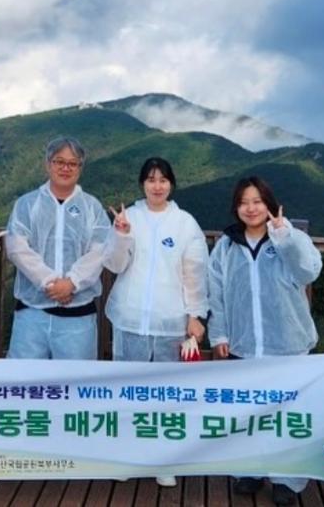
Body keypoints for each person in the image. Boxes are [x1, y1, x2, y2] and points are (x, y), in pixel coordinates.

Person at [207, 175, 322, 505]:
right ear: (236, 208)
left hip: (288, 344)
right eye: (243, 202)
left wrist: (286, 238)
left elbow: (309, 271)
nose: (251, 208)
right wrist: (220, 333)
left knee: (288, 414)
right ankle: (249, 470)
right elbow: (217, 293)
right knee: (248, 412)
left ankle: (288, 479)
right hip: (243, 345)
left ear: (269, 204)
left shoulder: (289, 237)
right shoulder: (226, 246)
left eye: (257, 201)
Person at [103, 156, 209, 487]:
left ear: (171, 184)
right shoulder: (130, 217)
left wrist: (195, 314)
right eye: (151, 179)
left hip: (170, 321)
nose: (157, 186)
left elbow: (195, 274)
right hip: (130, 317)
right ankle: (126, 457)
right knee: (127, 390)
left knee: (168, 393)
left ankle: (164, 461)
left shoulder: (185, 223)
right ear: (142, 184)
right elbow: (115, 265)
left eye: (163, 179)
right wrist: (121, 235)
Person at [5, 137, 111, 360]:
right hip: (32, 313)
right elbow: (17, 248)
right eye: (59, 161)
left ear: (80, 168)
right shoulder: (27, 204)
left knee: (76, 379)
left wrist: (72, 283)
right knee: (24, 378)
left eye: (72, 163)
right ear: (48, 164)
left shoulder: (92, 207)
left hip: (78, 315)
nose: (65, 168)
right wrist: (50, 282)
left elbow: (100, 250)